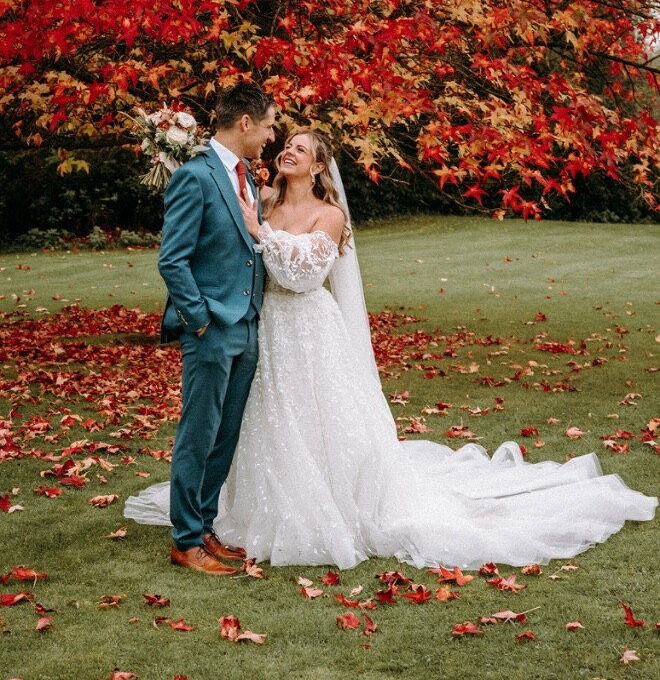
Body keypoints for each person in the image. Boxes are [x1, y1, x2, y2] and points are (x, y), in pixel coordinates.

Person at [126, 128, 657, 570]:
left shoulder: (329, 217)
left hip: (308, 331)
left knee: (316, 423)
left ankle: (317, 510)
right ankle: (224, 518)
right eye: (285, 142)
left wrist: (261, 235)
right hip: (262, 331)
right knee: (260, 423)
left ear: (318, 168)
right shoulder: (258, 198)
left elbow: (305, 276)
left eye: (301, 149)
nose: (287, 150)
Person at [130, 82, 276, 576]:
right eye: (270, 125)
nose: (272, 136)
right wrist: (200, 320)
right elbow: (173, 261)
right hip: (211, 328)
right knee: (199, 433)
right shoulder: (195, 176)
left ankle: (205, 526)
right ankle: (185, 539)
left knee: (226, 434)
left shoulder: (248, 179)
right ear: (245, 123)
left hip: (247, 324)